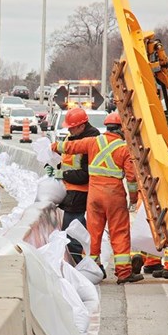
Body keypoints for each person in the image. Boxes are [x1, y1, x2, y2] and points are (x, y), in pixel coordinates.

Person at [51, 112, 144, 284]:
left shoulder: (93, 142)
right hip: (114, 196)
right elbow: (131, 178)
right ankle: (123, 273)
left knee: (93, 233)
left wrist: (54, 146)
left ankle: (93, 269)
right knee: (119, 232)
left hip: (93, 196)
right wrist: (133, 198)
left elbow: (71, 147)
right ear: (122, 129)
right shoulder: (124, 149)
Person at [45, 107, 101, 265]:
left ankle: (81, 268)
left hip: (81, 193)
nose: (69, 129)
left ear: (82, 126)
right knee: (72, 233)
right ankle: (83, 266)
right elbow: (69, 163)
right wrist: (56, 166)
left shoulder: (91, 140)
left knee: (73, 235)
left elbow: (85, 174)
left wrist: (62, 175)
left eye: (72, 126)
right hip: (72, 192)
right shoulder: (74, 136)